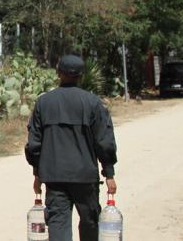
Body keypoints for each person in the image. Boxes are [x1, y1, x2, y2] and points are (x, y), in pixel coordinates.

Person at [25, 54, 118, 241]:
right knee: (90, 222)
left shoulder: (44, 103)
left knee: (58, 225)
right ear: (81, 76)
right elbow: (104, 141)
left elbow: (35, 144)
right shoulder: (92, 103)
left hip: (54, 177)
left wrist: (37, 174)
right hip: (85, 178)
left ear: (59, 73)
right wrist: (109, 173)